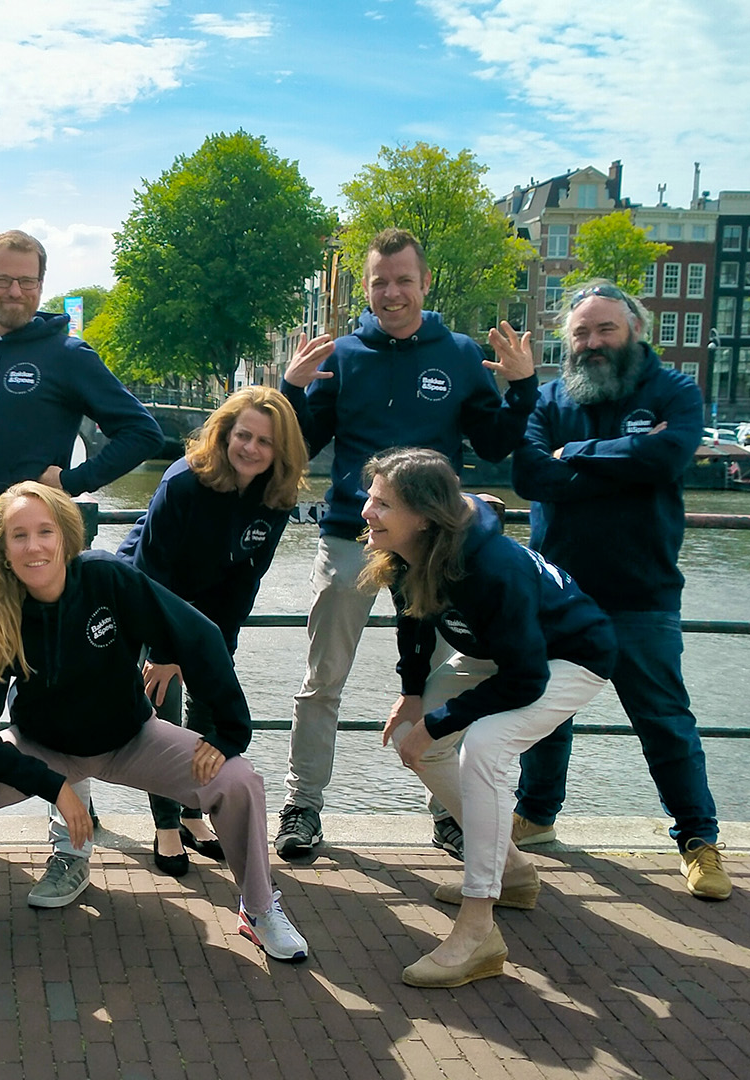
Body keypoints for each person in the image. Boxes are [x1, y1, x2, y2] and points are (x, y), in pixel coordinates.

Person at [0, 483, 307, 962]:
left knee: (238, 779)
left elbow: (197, 635)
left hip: (130, 739)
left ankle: (260, 909)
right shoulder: (0, 611)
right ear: (2, 548)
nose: (34, 546)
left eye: (45, 531)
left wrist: (229, 733)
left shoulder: (107, 578)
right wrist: (54, 786)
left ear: (65, 535)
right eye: (19, 536)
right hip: (44, 747)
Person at [275, 227, 538, 860]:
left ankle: (447, 809)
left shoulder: (458, 354)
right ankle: (304, 805)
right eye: (379, 282)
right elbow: (301, 446)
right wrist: (291, 390)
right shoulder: (343, 356)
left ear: (423, 284)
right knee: (323, 679)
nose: (391, 294)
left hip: (435, 547)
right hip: (352, 535)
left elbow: (497, 444)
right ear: (366, 290)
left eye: (403, 280)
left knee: (457, 675)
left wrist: (524, 386)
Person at [0, 231, 163, 908]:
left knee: (55, 708)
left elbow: (140, 431)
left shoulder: (67, 354)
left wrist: (78, 479)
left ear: (42, 283)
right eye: (4, 280)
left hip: (38, 573)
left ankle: (71, 848)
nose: (17, 292)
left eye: (29, 280)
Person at [503, 279, 732, 900]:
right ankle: (538, 815)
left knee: (663, 719)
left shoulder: (675, 390)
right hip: (561, 591)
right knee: (544, 715)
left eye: (605, 329)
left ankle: (699, 841)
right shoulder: (551, 397)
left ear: (634, 330)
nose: (593, 342)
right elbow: (527, 473)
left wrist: (573, 454)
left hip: (643, 591)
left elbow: (668, 458)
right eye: (581, 333)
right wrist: (625, 456)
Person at [364, 448, 614, 987]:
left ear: (425, 516)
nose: (367, 511)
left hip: (567, 656)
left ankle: (478, 929)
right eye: (371, 497)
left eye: (382, 503)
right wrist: (413, 698)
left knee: (484, 748)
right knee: (415, 738)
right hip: (498, 652)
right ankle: (515, 872)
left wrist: (442, 719)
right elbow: (412, 619)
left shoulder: (491, 568)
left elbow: (526, 679)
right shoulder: (406, 549)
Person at [114, 386, 307, 875]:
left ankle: (193, 812)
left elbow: (246, 579)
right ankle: (164, 825)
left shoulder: (276, 498)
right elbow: (152, 567)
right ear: (224, 434)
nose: (252, 449)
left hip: (208, 599)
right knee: (161, 703)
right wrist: (163, 649)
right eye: (244, 435)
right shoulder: (183, 483)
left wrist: (220, 650)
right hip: (147, 590)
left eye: (266, 442)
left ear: (280, 452)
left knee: (210, 707)